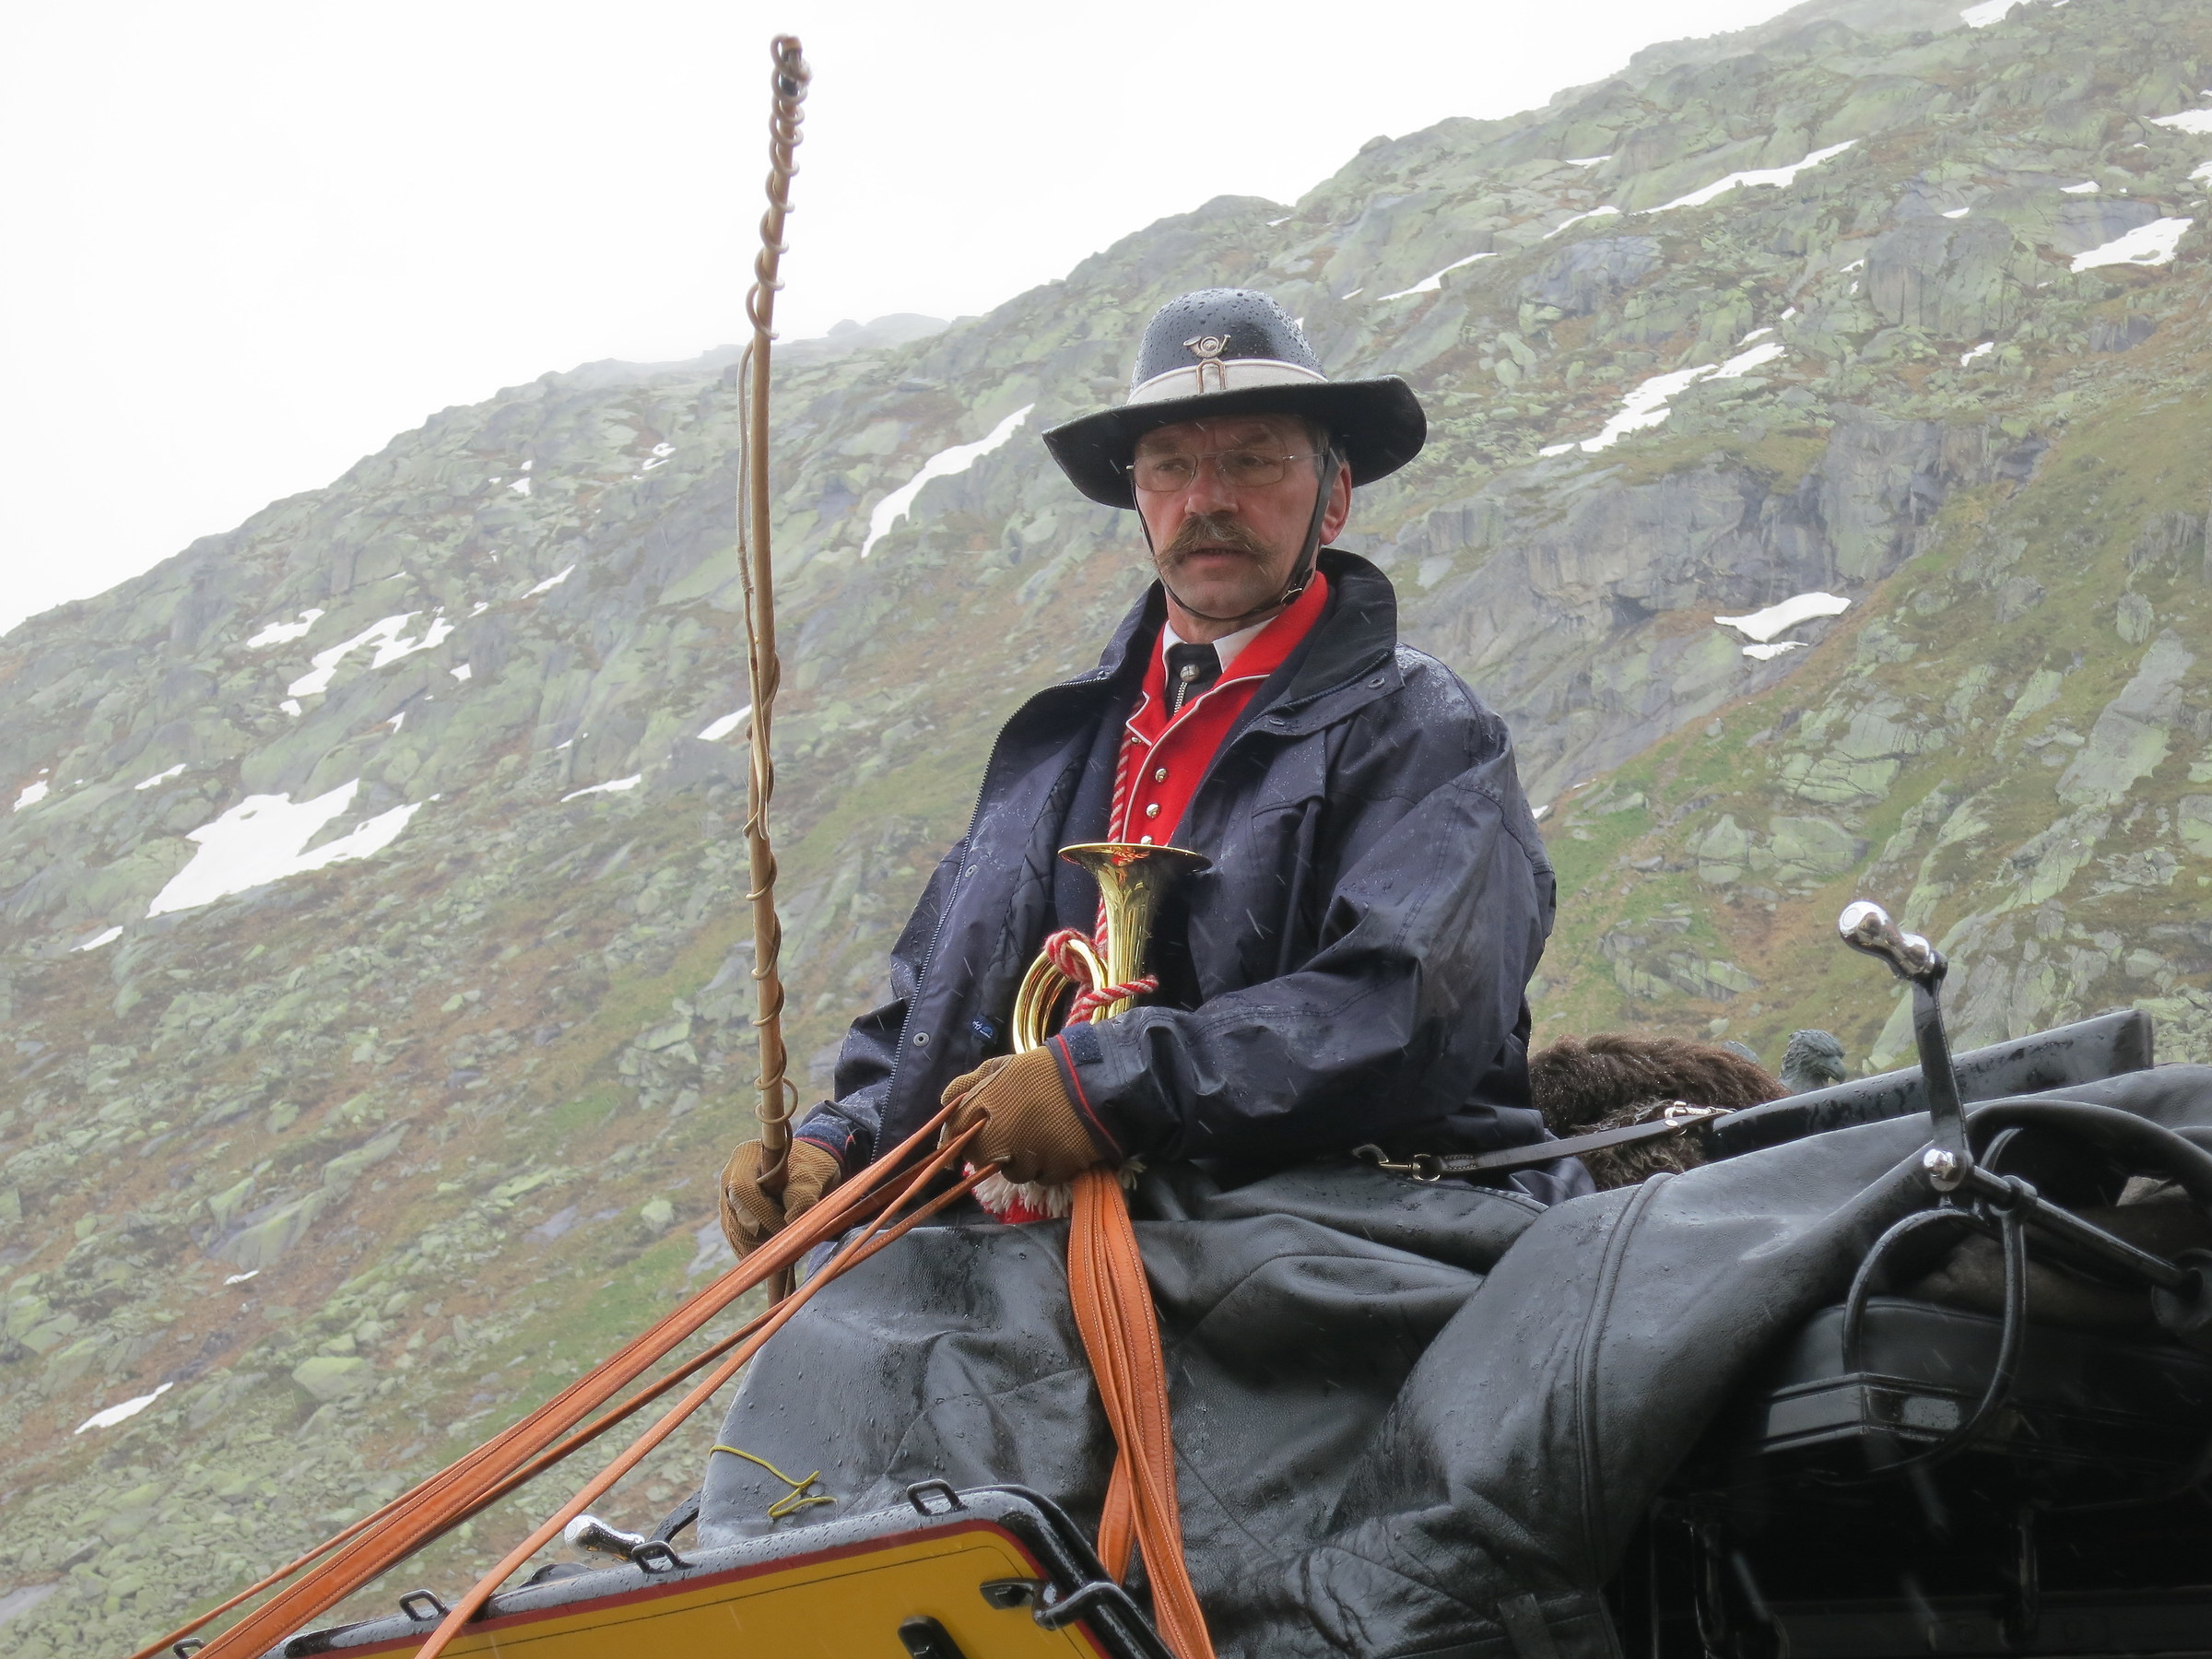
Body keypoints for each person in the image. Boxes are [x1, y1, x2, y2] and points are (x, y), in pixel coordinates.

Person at [719, 286, 1584, 1254]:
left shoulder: (1428, 731)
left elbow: (1406, 1010)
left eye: (1254, 460)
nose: (1207, 499)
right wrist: (842, 1141)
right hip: (1072, 1241)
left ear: (1332, 498)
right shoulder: (1056, 746)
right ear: (1140, 498)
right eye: (1170, 466)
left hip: (1351, 1228)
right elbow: (940, 1006)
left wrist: (1103, 1084)